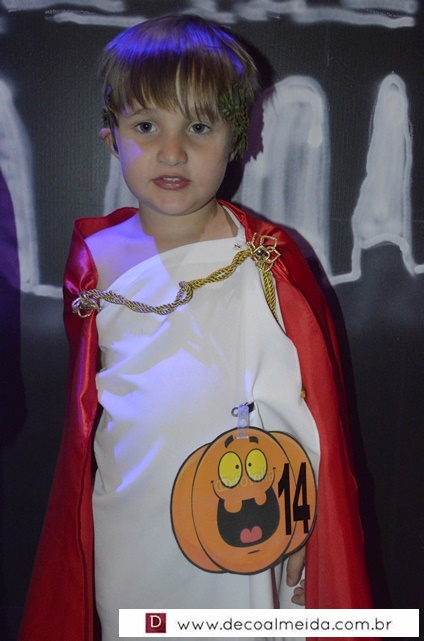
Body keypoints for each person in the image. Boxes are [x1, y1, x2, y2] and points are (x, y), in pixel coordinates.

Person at [19, 14, 374, 641]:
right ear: (111, 137)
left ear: (237, 139)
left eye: (199, 127)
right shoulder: (95, 263)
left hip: (243, 524)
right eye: (146, 126)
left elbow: (301, 411)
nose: (172, 151)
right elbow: (91, 417)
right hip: (130, 529)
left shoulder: (265, 260)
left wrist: (302, 523)